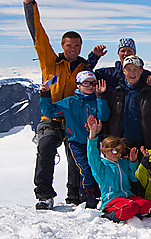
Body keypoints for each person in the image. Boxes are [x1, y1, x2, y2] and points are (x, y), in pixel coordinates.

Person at [21, 0, 105, 209]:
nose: (73, 49)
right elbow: (38, 34)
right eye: (70, 46)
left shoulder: (83, 66)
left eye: (77, 46)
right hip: (52, 117)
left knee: (76, 157)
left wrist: (94, 57)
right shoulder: (50, 62)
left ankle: (74, 196)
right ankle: (44, 194)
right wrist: (30, 6)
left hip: (74, 119)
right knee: (46, 146)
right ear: (62, 46)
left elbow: (88, 75)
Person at [39, 72, 110, 208]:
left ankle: (93, 194)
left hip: (93, 141)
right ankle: (89, 194)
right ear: (79, 85)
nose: (90, 86)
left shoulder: (96, 101)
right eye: (86, 83)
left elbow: (104, 116)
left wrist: (101, 97)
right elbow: (49, 112)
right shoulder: (70, 102)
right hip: (75, 141)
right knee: (84, 168)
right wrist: (45, 94)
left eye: (93, 83)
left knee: (94, 166)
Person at [85, 116, 151, 222]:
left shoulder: (122, 163)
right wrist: (93, 133)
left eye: (120, 151)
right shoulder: (101, 166)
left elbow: (134, 178)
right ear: (105, 151)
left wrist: (132, 162)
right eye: (114, 151)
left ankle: (129, 212)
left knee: (147, 205)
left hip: (127, 197)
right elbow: (92, 155)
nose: (118, 154)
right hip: (112, 200)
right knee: (131, 207)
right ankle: (109, 215)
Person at [105, 55, 151, 150]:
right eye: (128, 69)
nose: (132, 73)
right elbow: (108, 118)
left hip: (144, 145)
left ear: (141, 71)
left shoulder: (150, 93)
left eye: (135, 69)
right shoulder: (116, 93)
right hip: (120, 146)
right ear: (123, 71)